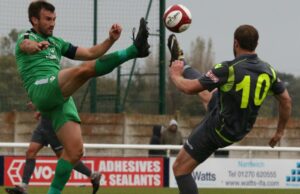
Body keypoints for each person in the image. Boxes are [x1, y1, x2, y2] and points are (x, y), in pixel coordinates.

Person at [15, 1, 149, 194]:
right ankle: (135, 50)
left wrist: (110, 40)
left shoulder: (57, 43)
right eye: (47, 19)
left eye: (54, 19)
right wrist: (34, 46)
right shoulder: (27, 36)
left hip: (59, 97)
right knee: (83, 71)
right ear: (34, 20)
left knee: (74, 153)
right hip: (40, 89)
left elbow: (90, 53)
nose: (52, 23)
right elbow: (25, 45)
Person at [167, 25, 292, 194]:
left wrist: (175, 75)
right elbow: (286, 100)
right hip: (240, 127)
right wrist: (279, 132)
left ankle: (181, 65)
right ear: (256, 44)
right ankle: (183, 62)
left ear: (235, 43)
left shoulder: (228, 68)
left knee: (180, 169)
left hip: (219, 128)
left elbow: (189, 88)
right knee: (210, 94)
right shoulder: (269, 71)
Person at [5, 103, 101, 194]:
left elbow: (54, 103)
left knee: (64, 158)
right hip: (42, 126)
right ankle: (23, 186)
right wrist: (38, 107)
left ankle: (93, 175)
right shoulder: (40, 88)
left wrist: (39, 108)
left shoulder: (59, 90)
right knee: (30, 152)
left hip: (54, 127)